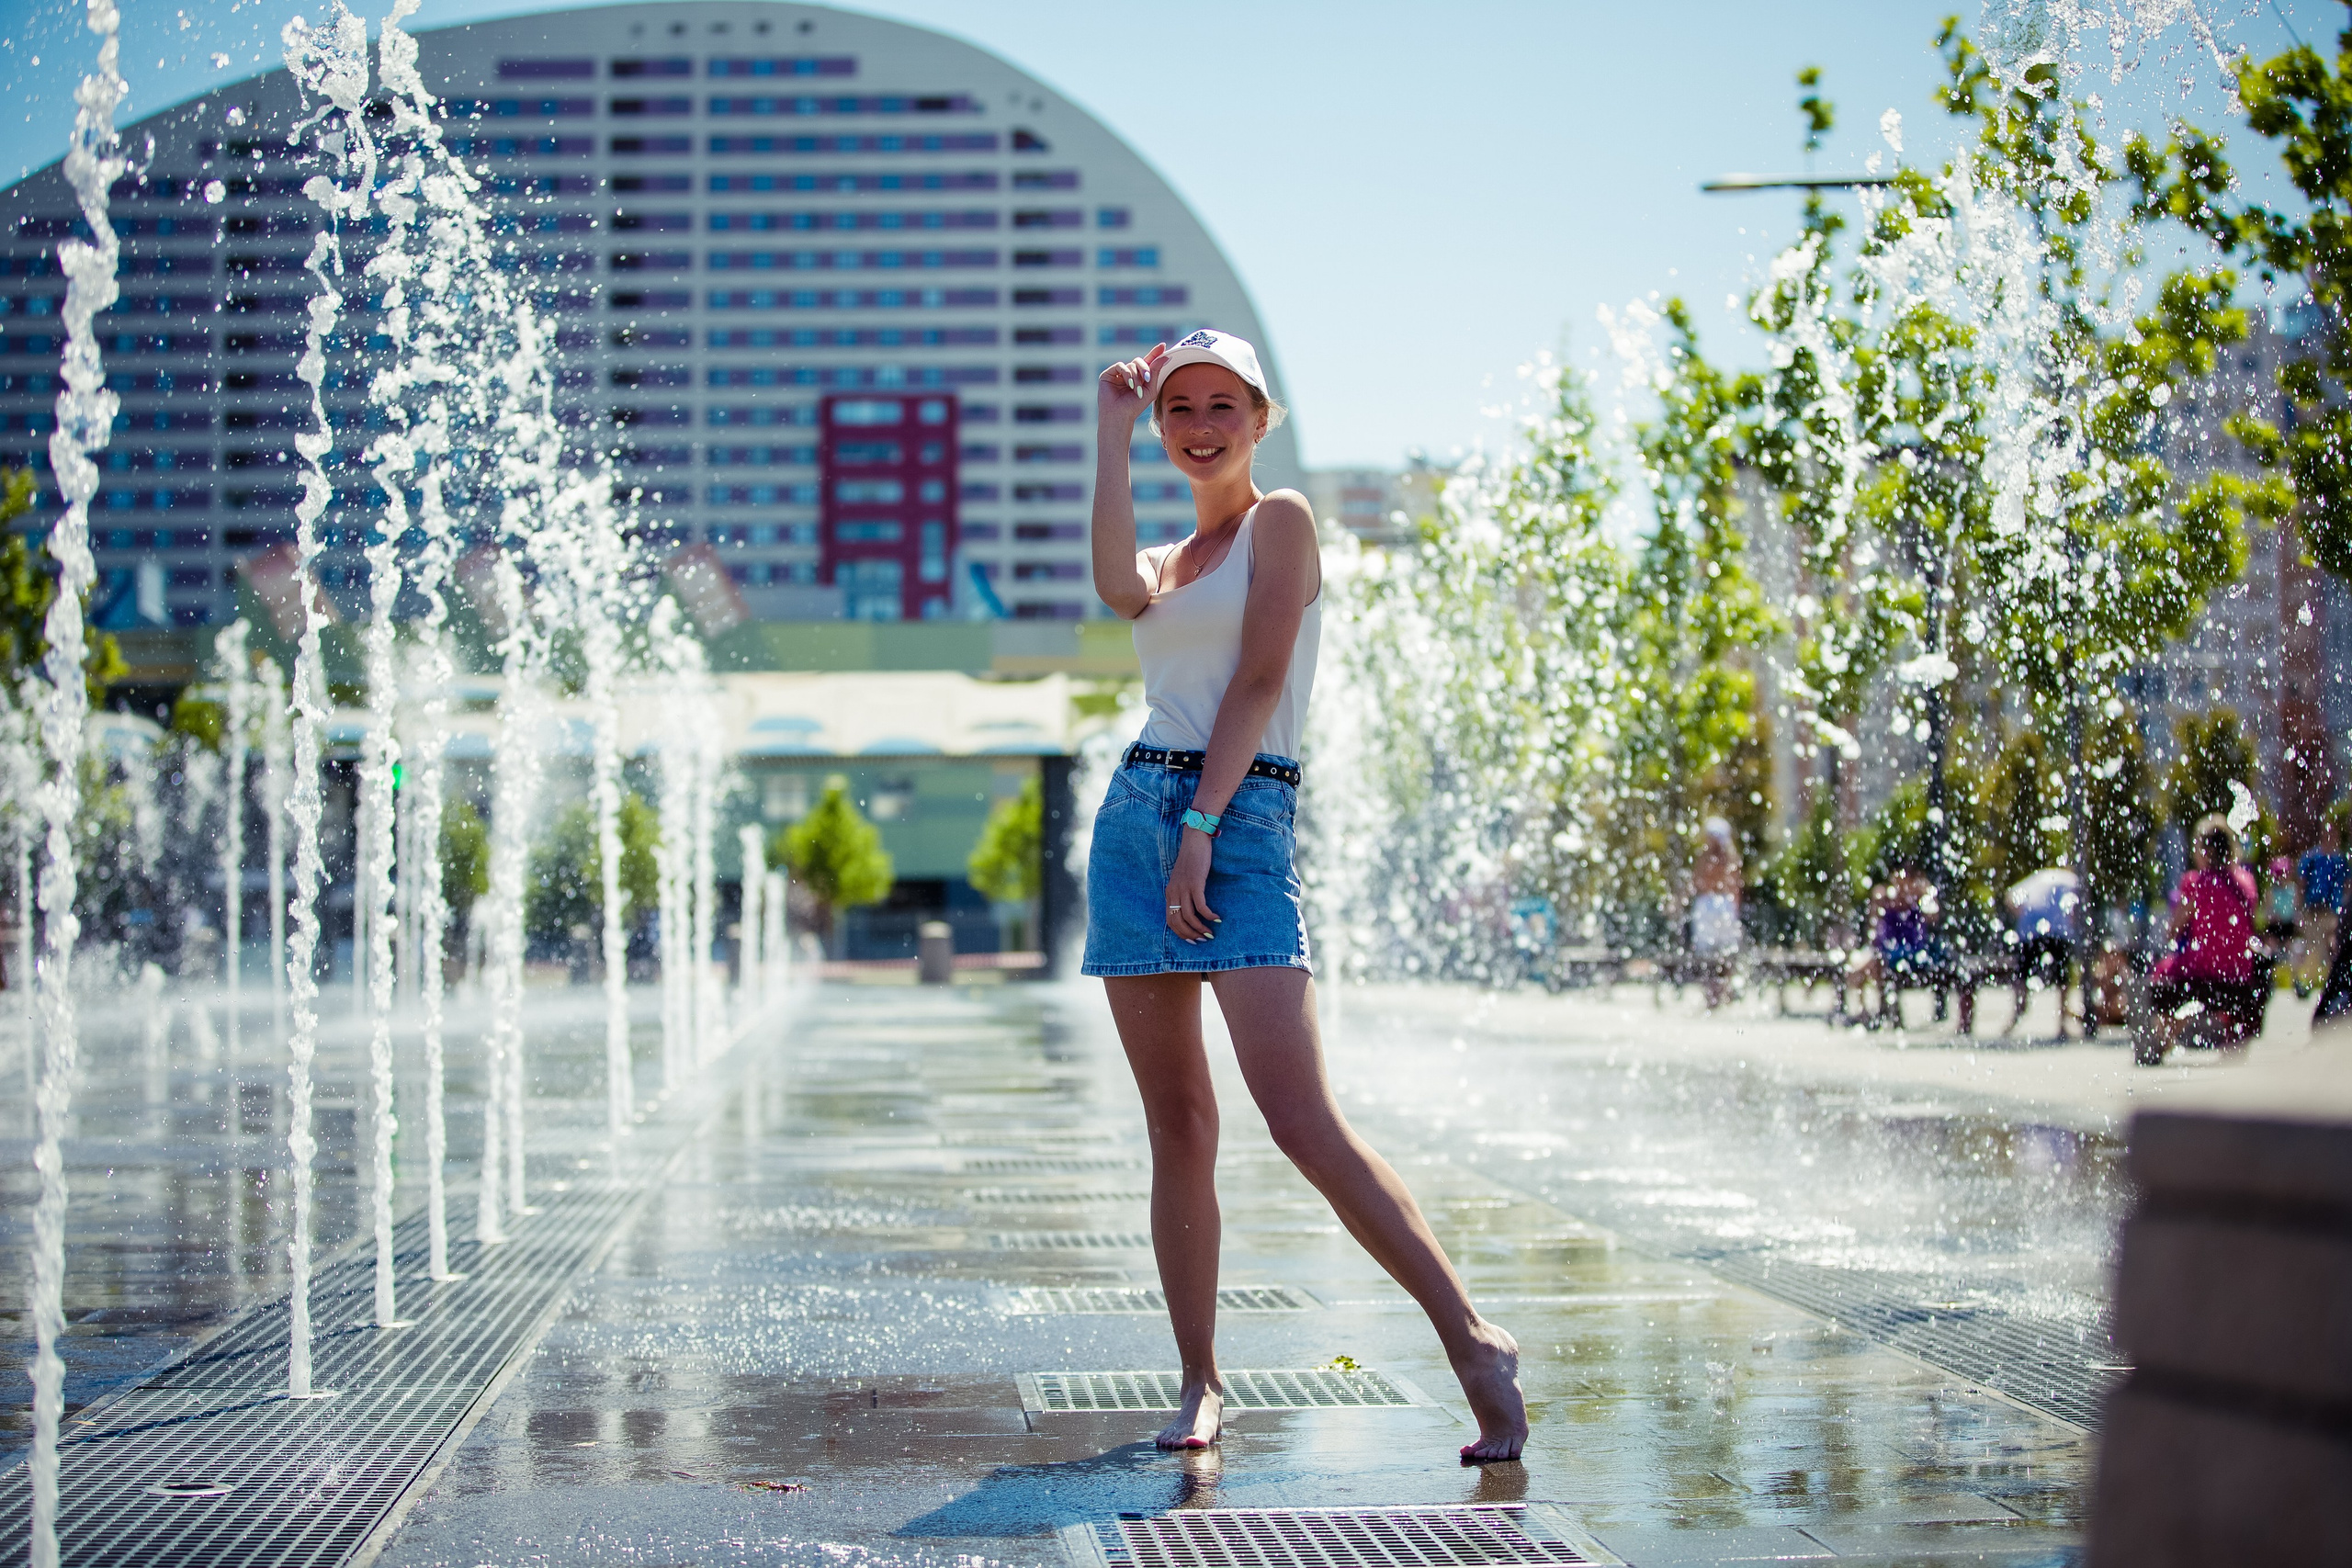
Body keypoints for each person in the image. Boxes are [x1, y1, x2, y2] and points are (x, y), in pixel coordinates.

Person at [1082, 331, 1527, 1462]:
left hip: (1233, 822)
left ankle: (1474, 1340)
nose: (1199, 426)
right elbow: (1114, 586)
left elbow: (1262, 677)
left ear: (1259, 417)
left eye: (1220, 405)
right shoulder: (1168, 561)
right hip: (1136, 824)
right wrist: (1110, 432)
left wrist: (1201, 831)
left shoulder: (1279, 520)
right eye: (1178, 408)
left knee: (1300, 1120)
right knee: (1178, 1125)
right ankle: (1198, 1382)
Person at [2144, 816, 2263, 1057]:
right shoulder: (2246, 882)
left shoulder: (2196, 882)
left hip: (2204, 968)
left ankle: (2163, 1039)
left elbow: (2173, 930)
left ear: (2205, 851)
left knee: (2161, 973)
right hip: (2238, 971)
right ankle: (2229, 1037)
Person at [1847, 856, 1942, 1025]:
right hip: (1887, 949)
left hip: (1912, 950)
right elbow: (1873, 929)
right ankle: (1865, 1011)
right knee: (1856, 967)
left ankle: (1881, 1011)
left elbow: (1934, 917)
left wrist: (1926, 893)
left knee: (1877, 963)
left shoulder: (1918, 895)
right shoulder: (1883, 896)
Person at [2002, 865, 2080, 1039]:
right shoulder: (2071, 880)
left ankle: (2018, 1011)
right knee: (2062, 978)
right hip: (2058, 931)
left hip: (2030, 929)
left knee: (2023, 974)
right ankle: (2062, 1024)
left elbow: (2010, 897)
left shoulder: (2040, 876)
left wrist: (2023, 915)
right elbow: (2075, 910)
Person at [1690, 817, 1742, 1009]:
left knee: (1709, 953)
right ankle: (1721, 991)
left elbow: (1696, 882)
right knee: (1724, 952)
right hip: (1723, 905)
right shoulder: (1730, 857)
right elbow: (1735, 885)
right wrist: (1735, 909)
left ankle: (1713, 993)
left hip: (1709, 905)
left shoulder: (1706, 857)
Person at [2292, 818, 2345, 998]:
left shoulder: (2340, 860)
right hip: (2313, 910)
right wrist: (2299, 908)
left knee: (2331, 948)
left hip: (2331, 911)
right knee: (2314, 948)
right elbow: (2302, 884)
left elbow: (2347, 885)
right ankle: (2304, 982)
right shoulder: (2311, 858)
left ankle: (2332, 984)